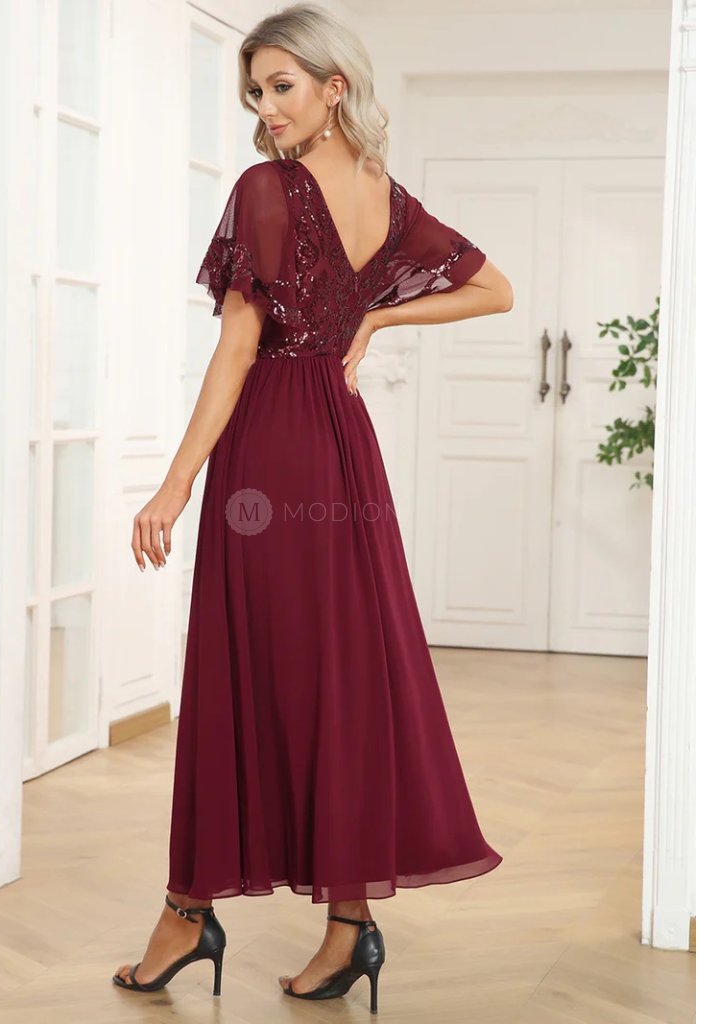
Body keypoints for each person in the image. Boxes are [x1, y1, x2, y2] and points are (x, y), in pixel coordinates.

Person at [113, 3, 513, 1014]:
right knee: (339, 673)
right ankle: (347, 926)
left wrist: (176, 481)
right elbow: (492, 290)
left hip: (272, 445)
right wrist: (376, 314)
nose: (266, 108)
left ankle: (189, 911)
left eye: (282, 87)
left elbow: (237, 347)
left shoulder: (266, 190)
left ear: (336, 88)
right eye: (255, 91)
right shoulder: (385, 194)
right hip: (341, 447)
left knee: (246, 669)